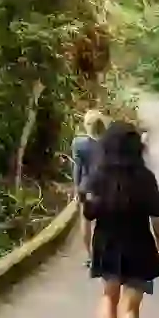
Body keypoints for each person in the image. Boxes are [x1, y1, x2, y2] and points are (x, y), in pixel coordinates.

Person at [83, 122, 159, 318]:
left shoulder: (99, 175)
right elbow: (157, 219)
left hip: (107, 243)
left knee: (109, 297)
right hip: (140, 246)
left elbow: (88, 211)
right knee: (131, 308)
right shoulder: (146, 178)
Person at [72, 110, 108, 266]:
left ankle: (91, 255)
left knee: (86, 221)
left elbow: (77, 169)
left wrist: (76, 189)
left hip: (87, 187)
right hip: (107, 187)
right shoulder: (110, 143)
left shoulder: (79, 144)